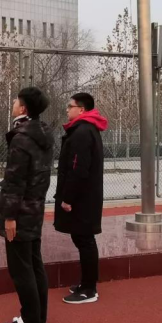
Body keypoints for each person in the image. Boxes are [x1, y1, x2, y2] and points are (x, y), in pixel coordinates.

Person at [0, 87, 54, 323]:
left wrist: (9, 217)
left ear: (23, 108)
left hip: (20, 212)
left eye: (16, 100)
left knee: (21, 269)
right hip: (35, 208)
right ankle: (38, 318)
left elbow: (15, 181)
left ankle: (30, 322)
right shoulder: (42, 134)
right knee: (34, 264)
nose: (13, 103)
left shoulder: (21, 138)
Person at [54, 92, 108, 304]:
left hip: (83, 199)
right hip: (86, 196)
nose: (67, 110)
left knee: (85, 240)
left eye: (70, 106)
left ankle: (89, 289)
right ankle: (86, 283)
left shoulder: (82, 132)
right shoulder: (85, 129)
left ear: (81, 109)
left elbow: (78, 168)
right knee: (82, 238)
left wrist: (68, 198)